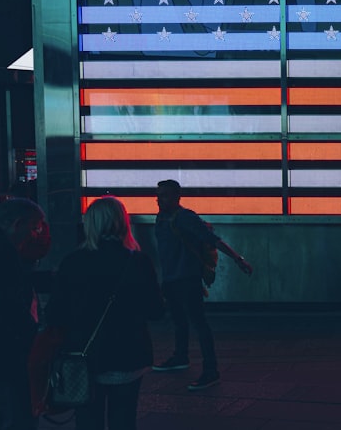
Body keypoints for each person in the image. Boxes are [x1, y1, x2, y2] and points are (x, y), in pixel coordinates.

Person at [46, 196, 163, 428]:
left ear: (91, 223)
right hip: (129, 355)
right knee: (124, 418)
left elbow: (55, 313)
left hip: (85, 358)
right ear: (123, 222)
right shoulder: (138, 261)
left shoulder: (73, 262)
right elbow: (156, 311)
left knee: (88, 419)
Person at [152, 179, 253, 391]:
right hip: (171, 279)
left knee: (198, 323)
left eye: (165, 194)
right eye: (159, 194)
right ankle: (181, 357)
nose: (159, 199)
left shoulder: (185, 217)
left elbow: (212, 239)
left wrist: (237, 258)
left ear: (177, 196)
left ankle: (211, 370)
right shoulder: (161, 218)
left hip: (187, 279)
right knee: (179, 321)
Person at [0, 198, 50, 430]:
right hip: (5, 355)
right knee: (14, 415)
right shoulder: (3, 253)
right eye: (35, 228)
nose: (36, 234)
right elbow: (7, 304)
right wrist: (33, 334)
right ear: (18, 224)